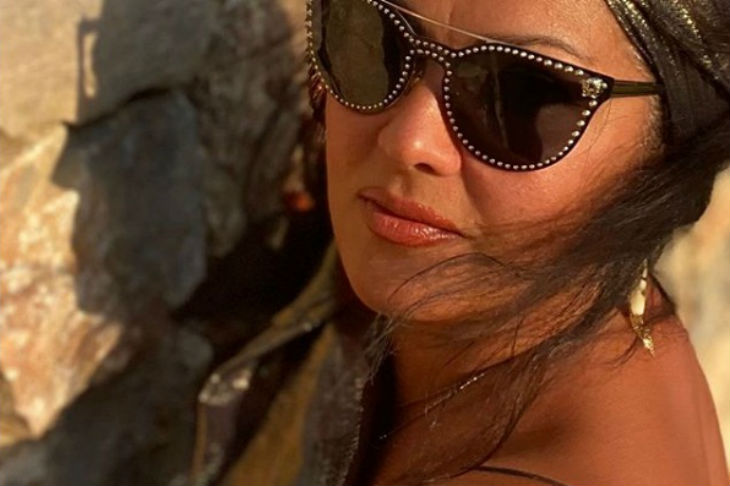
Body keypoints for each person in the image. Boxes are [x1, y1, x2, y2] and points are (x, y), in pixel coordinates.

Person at [189, 0, 730, 484]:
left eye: (518, 95)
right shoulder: (617, 315)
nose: (408, 141)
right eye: (375, 37)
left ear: (665, 150)